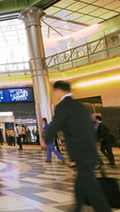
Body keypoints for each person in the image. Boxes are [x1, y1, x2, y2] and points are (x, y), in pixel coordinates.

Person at [42, 80, 111, 212]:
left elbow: (56, 125)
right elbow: (90, 128)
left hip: (81, 152)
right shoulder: (80, 106)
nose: (54, 93)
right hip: (88, 149)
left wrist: (45, 139)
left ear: (59, 90)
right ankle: (77, 208)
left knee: (91, 188)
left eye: (55, 91)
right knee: (80, 184)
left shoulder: (63, 106)